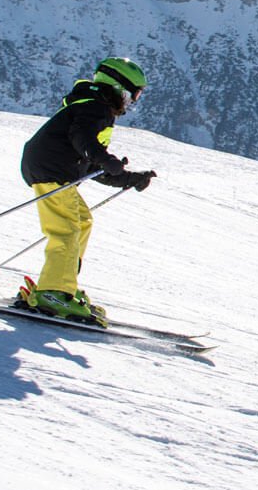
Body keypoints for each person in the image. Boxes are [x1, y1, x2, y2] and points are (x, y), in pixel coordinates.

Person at [15, 56, 158, 327]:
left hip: (53, 169)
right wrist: (105, 159)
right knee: (66, 229)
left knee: (82, 221)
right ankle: (54, 292)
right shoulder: (95, 108)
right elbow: (82, 140)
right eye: (132, 95)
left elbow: (92, 163)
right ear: (118, 88)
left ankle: (62, 284)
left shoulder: (92, 108)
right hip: (52, 169)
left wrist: (128, 178)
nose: (132, 102)